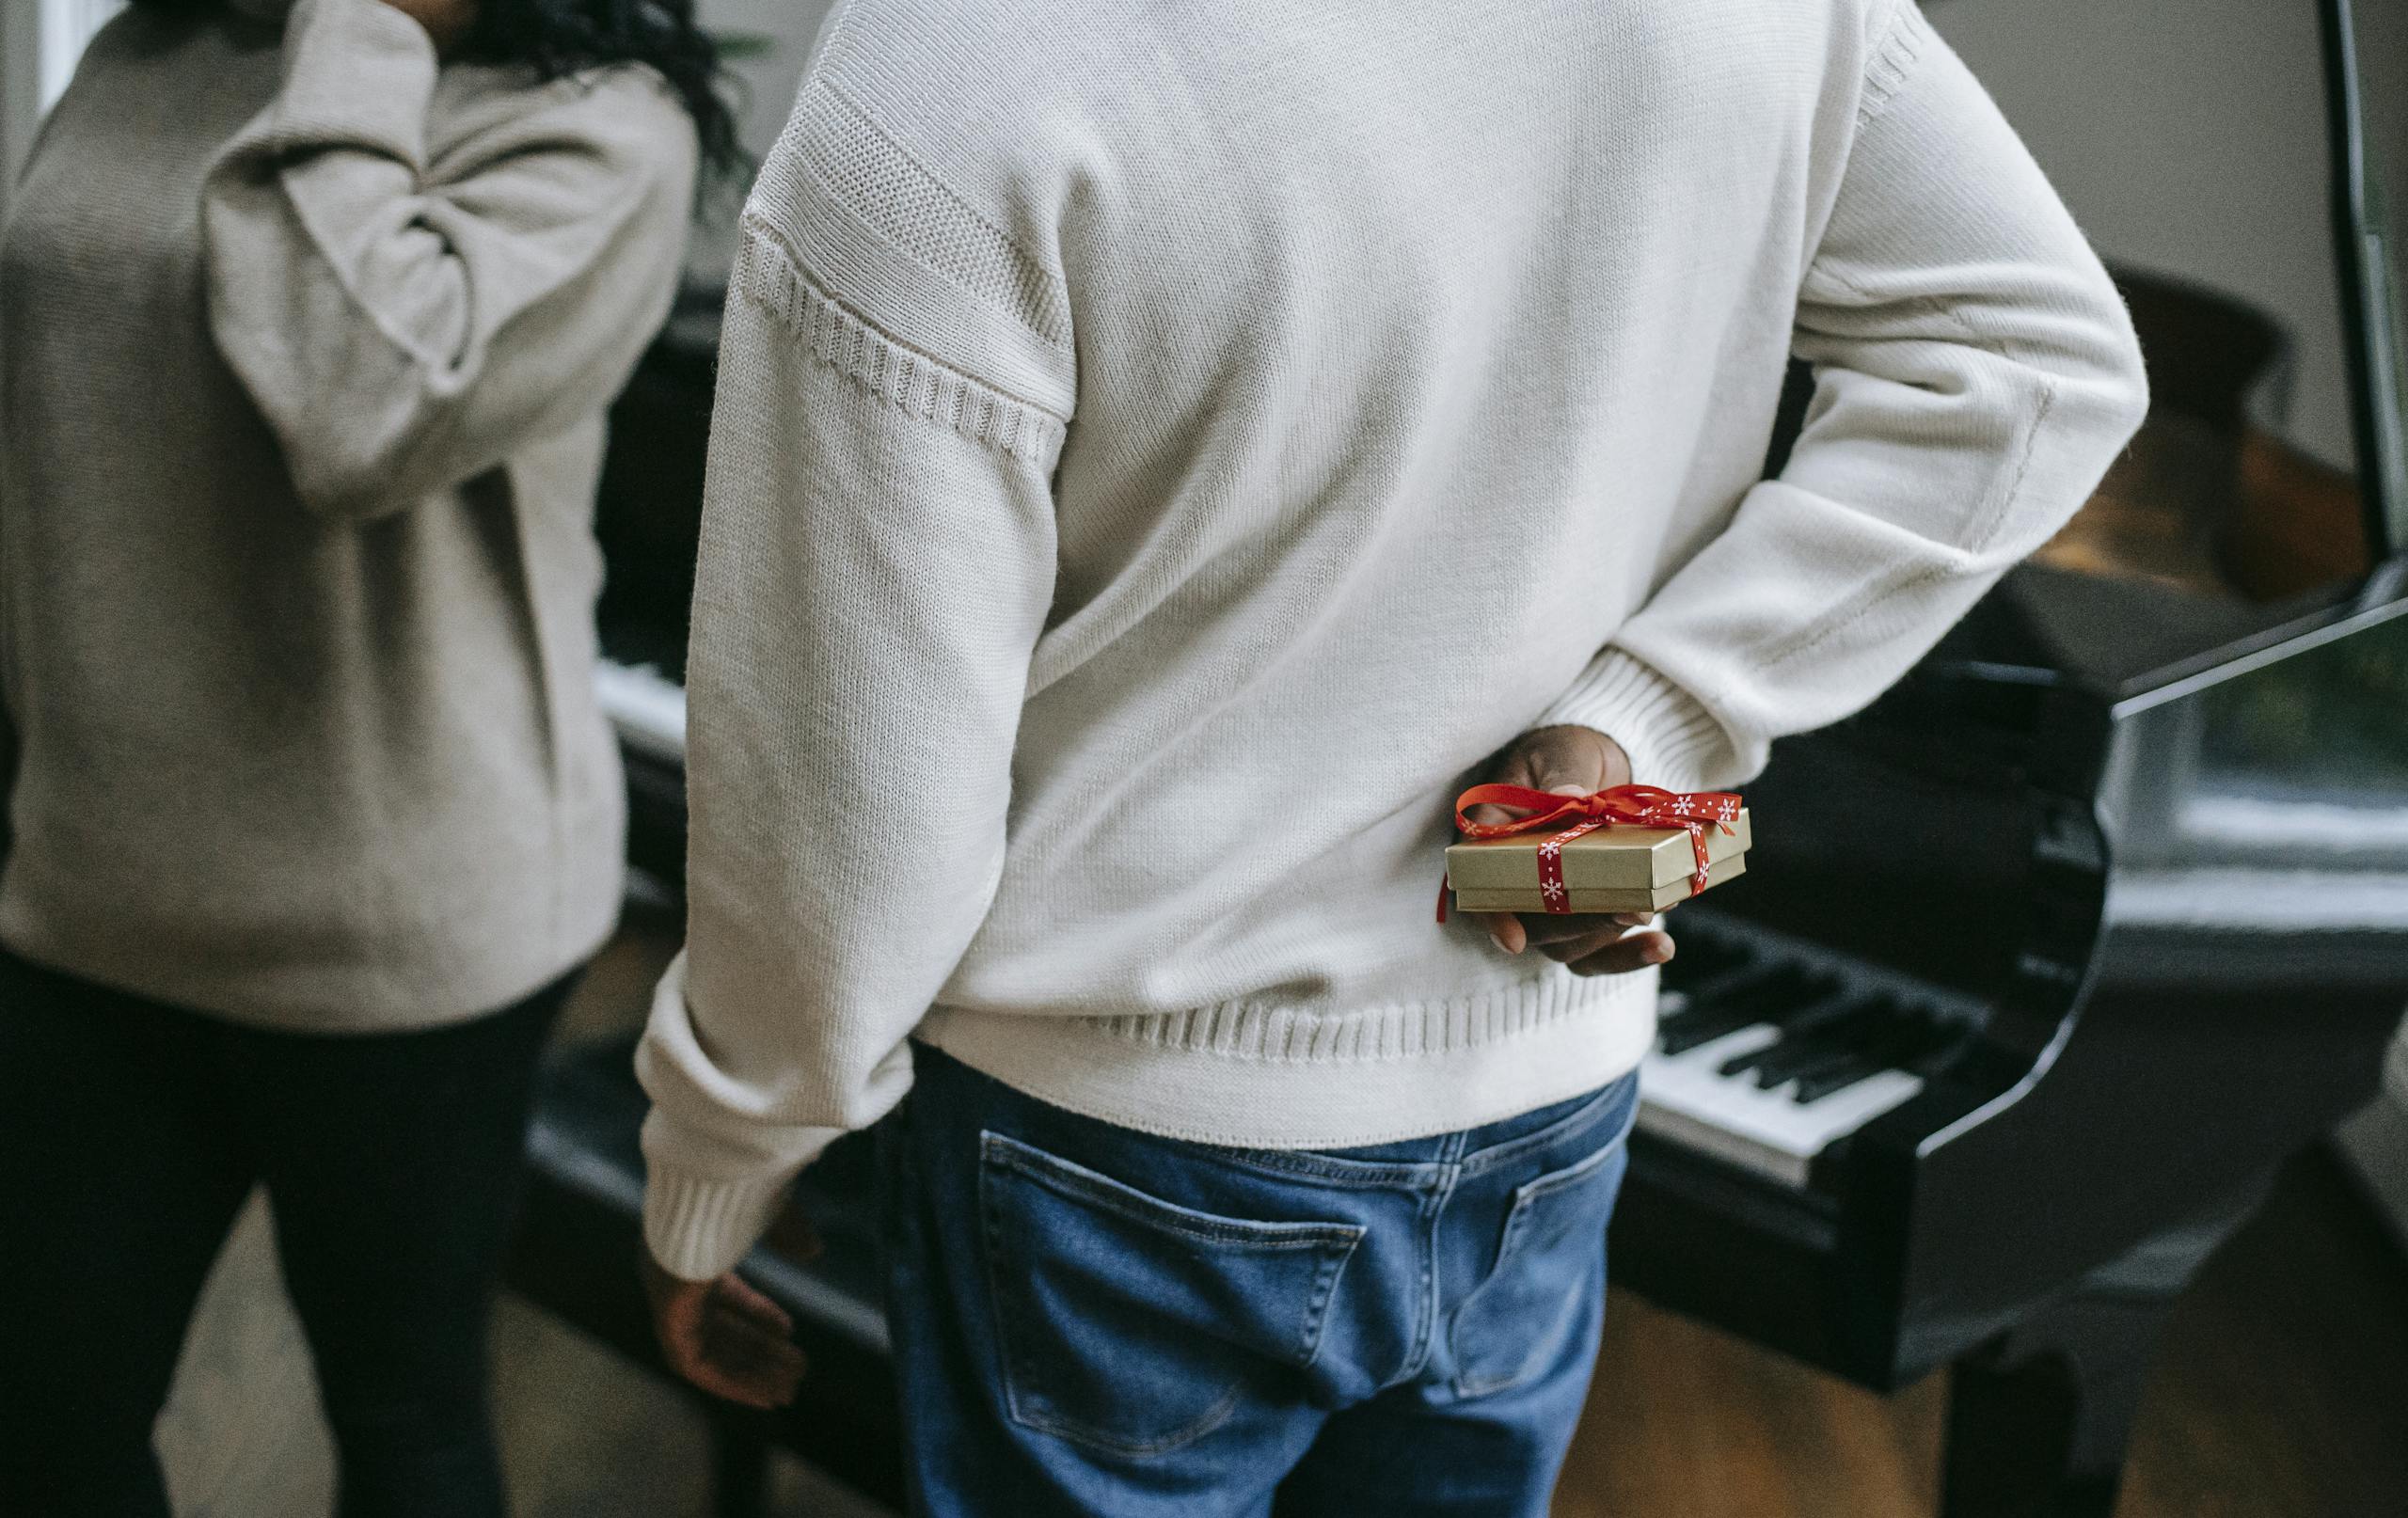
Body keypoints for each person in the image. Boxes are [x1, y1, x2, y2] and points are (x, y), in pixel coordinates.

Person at [634, 0, 2148, 1512]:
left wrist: (724, 1158)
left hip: (1116, 1137)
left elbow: (846, 797)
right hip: (1549, 1101)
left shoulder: (948, 62)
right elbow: (2037, 362)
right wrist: (1652, 712)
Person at [0, 0, 726, 1510]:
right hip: (91, 886)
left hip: (403, 934)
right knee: (40, 1414)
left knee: (403, 1418)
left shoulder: (598, 125)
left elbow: (356, 399)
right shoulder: (156, 51)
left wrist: (364, 25)